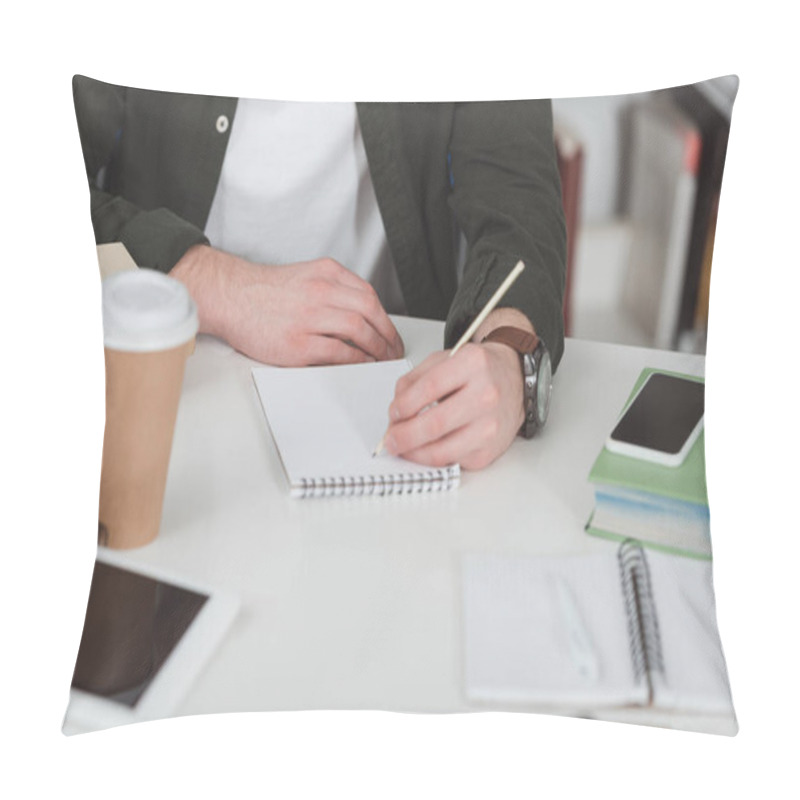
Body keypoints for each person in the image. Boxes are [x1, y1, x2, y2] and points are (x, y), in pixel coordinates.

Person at [73, 76, 566, 470]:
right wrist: (213, 283)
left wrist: (510, 356)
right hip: (158, 375)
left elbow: (516, 194)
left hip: (392, 379)